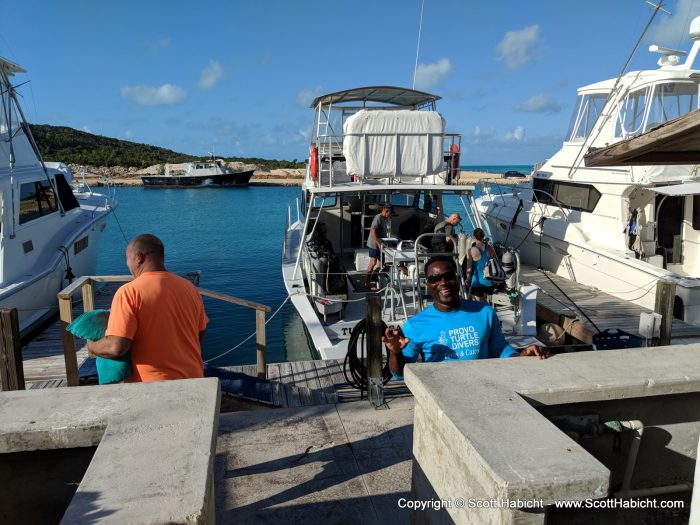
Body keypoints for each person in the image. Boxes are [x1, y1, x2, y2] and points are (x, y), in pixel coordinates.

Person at [384, 256, 547, 378]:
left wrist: (521, 356)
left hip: (483, 388)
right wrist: (395, 353)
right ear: (428, 285)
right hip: (441, 396)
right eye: (435, 279)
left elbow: (499, 349)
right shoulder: (415, 325)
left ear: (457, 278)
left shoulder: (484, 311)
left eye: (448, 276)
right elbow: (400, 374)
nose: (443, 282)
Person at [87, 234, 208, 382]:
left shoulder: (128, 292)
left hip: (152, 386)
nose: (127, 264)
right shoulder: (190, 288)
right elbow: (200, 333)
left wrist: (92, 345)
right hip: (194, 379)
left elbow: (116, 347)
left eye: (127, 258)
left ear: (138, 257)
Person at [465, 227, 497, 301]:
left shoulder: (471, 250)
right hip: (489, 280)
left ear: (473, 237)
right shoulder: (490, 248)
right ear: (483, 236)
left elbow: (468, 268)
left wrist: (468, 278)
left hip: (477, 281)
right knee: (486, 302)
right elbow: (495, 261)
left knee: (477, 304)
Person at [366, 203, 393, 287]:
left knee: (381, 263)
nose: (391, 214)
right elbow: (372, 231)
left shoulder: (386, 218)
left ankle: (374, 277)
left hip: (381, 244)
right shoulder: (378, 218)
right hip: (374, 244)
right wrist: (378, 243)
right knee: (373, 262)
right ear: (386, 211)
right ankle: (367, 282)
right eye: (390, 212)